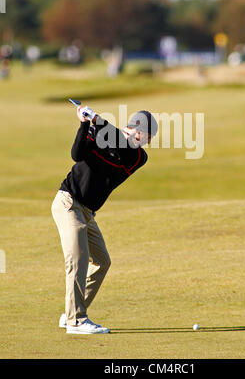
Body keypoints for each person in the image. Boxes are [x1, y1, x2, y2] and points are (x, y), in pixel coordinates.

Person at [51, 105, 158, 334]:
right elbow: (76, 155)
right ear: (138, 131)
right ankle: (76, 320)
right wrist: (84, 124)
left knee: (102, 261)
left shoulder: (139, 156)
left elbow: (122, 150)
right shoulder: (101, 132)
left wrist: (98, 120)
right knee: (78, 259)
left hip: (88, 213)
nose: (149, 142)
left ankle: (70, 313)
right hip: (68, 203)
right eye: (149, 136)